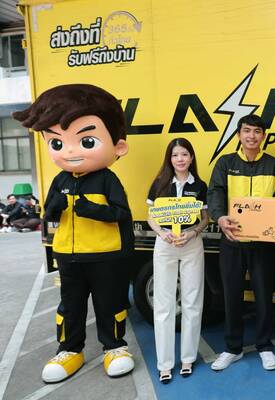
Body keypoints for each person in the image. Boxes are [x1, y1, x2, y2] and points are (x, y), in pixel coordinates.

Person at [13, 84, 135, 383]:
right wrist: (52, 209)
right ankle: (69, 349)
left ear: (118, 146)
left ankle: (114, 347)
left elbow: (122, 214)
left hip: (105, 255)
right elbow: (49, 216)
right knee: (70, 306)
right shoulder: (60, 180)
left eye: (86, 141)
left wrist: (93, 210)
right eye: (57, 143)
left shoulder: (107, 180)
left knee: (109, 303)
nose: (69, 151)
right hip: (69, 255)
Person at [207, 114, 275, 371]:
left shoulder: (274, 166)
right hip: (232, 241)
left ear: (263, 136)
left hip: (263, 245)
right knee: (232, 295)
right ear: (239, 135)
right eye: (247, 131)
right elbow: (215, 193)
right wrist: (220, 218)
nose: (252, 136)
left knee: (264, 295)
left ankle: (264, 346)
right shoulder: (225, 163)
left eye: (257, 131)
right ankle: (233, 348)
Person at [146, 138, 208, 384]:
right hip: (165, 245)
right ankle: (165, 364)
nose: (180, 159)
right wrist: (162, 234)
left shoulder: (199, 185)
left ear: (191, 157)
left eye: (184, 154)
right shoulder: (159, 183)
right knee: (164, 305)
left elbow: (205, 218)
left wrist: (193, 233)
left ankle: (188, 359)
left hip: (191, 245)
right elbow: (151, 216)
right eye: (175, 155)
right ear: (169, 159)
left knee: (192, 302)